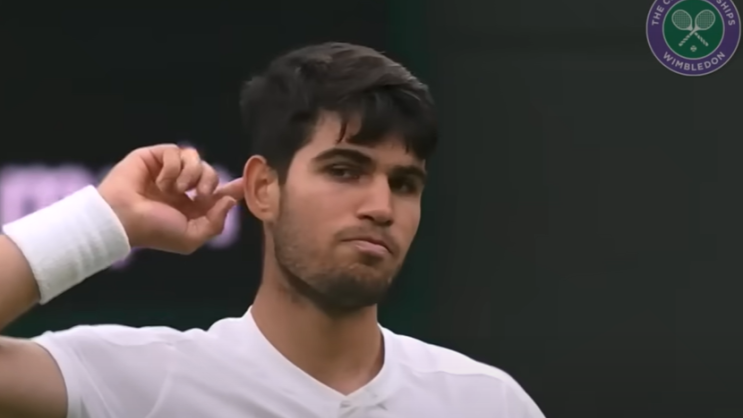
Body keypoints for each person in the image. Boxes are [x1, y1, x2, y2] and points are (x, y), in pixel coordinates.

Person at [0, 43, 545, 417]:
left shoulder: (486, 403)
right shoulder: (142, 383)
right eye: (345, 170)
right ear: (263, 188)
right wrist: (105, 218)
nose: (381, 206)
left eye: (404, 183)